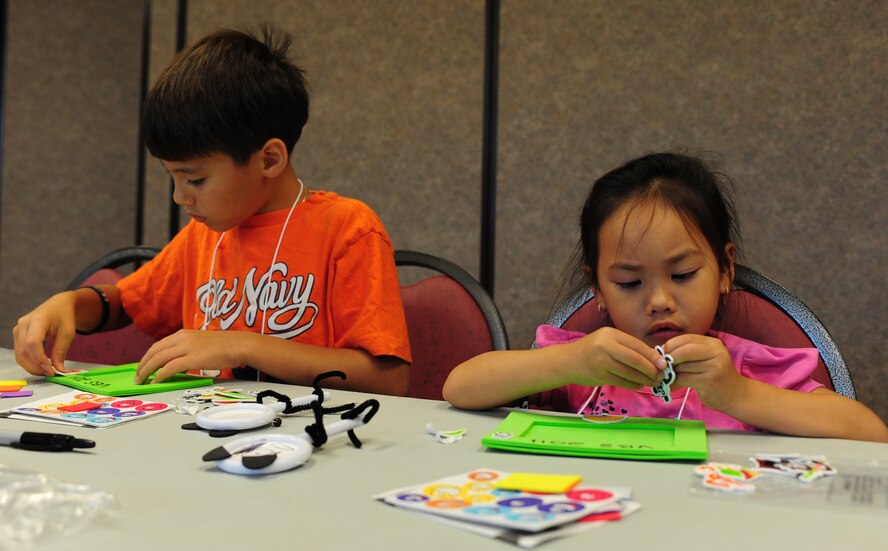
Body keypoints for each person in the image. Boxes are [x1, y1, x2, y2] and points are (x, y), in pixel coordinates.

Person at [13, 27, 412, 395]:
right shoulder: (206, 235)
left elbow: (388, 378)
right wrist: (69, 304)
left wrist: (243, 345)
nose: (179, 197)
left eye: (195, 180)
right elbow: (124, 303)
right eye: (172, 177)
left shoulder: (347, 229)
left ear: (270, 159)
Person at [443, 152, 888, 442]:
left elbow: (871, 434)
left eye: (683, 274)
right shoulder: (579, 363)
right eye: (629, 283)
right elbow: (458, 388)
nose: (658, 300)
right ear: (596, 288)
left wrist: (737, 395)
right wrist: (567, 362)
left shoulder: (745, 370)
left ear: (725, 270)